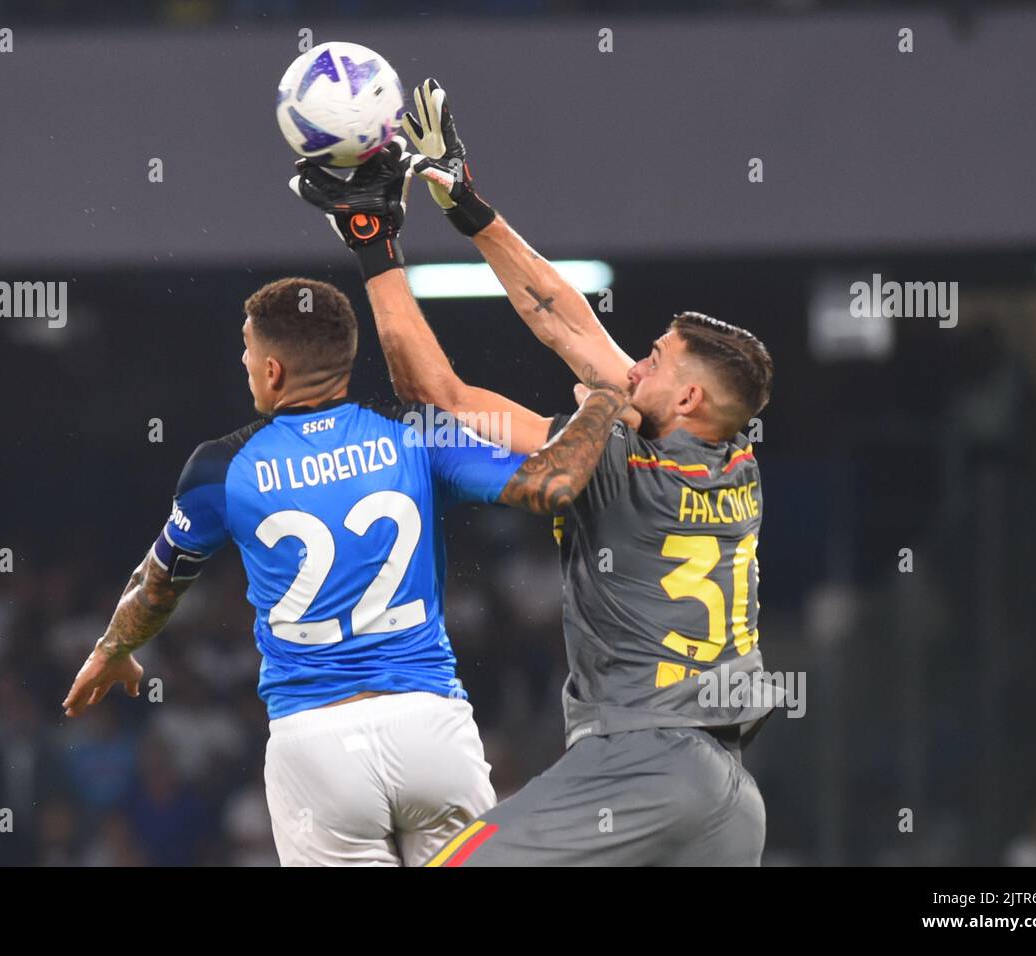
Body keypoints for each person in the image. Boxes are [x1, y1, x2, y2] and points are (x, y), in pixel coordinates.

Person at [291, 82, 780, 865]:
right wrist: (470, 207)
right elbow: (563, 317)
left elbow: (437, 394)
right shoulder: (733, 458)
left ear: (686, 395)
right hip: (729, 797)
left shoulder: (618, 461)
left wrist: (373, 242)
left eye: (651, 359)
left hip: (641, 765)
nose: (631, 362)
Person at [61, 259, 631, 865]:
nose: (245, 363)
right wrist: (605, 400)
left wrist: (113, 650)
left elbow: (157, 585)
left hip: (316, 743)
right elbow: (552, 484)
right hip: (430, 728)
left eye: (248, 352)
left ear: (273, 370)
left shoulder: (221, 467)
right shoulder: (414, 432)